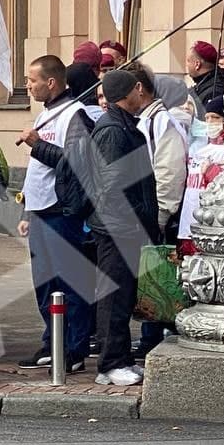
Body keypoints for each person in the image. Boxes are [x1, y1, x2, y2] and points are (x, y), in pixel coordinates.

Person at [17, 55, 95, 372]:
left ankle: (74, 348)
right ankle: (53, 341)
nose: (27, 86)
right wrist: (26, 210)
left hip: (61, 212)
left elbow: (78, 162)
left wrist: (38, 146)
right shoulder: (45, 114)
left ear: (50, 82)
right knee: (45, 284)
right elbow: (36, 171)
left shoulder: (74, 115)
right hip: (39, 211)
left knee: (69, 283)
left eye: (31, 80)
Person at [88, 69, 158, 386]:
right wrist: (136, 218)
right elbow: (111, 186)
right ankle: (110, 364)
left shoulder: (124, 125)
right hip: (117, 228)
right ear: (132, 91)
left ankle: (121, 358)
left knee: (124, 295)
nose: (139, 94)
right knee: (114, 296)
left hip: (126, 226)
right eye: (136, 90)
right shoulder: (113, 130)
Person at [125, 62, 188, 357]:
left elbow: (170, 171)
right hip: (144, 211)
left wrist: (161, 213)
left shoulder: (161, 122)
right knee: (148, 274)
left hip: (157, 213)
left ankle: (154, 336)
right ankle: (151, 334)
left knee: (156, 273)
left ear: (139, 88)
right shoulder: (145, 119)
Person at [178, 96, 224, 255]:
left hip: (214, 220)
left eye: (215, 117)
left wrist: (211, 171)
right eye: (207, 117)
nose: (210, 122)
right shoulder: (202, 146)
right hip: (191, 214)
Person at [186, 41, 224, 107]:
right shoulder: (203, 84)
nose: (187, 65)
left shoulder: (213, 92)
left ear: (197, 64)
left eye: (188, 61)